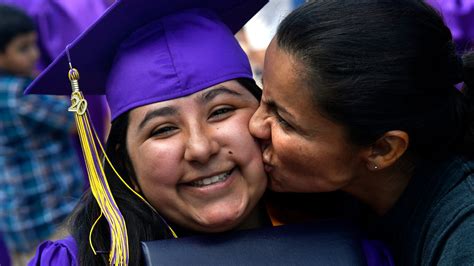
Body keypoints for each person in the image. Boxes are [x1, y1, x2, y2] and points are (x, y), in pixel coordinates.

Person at [25, 1, 396, 265]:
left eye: (222, 111)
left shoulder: (350, 247)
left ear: (264, 119)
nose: (200, 148)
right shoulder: (81, 261)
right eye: (163, 129)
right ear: (124, 159)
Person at [249, 0, 474, 265]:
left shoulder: (463, 238)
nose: (255, 125)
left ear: (383, 149)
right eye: (263, 96)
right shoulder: (342, 194)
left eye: (284, 121)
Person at [0, 4, 84, 265]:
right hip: (49, 212)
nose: (34, 54)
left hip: (19, 219)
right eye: (23, 48)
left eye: (34, 45)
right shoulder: (21, 94)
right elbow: (74, 120)